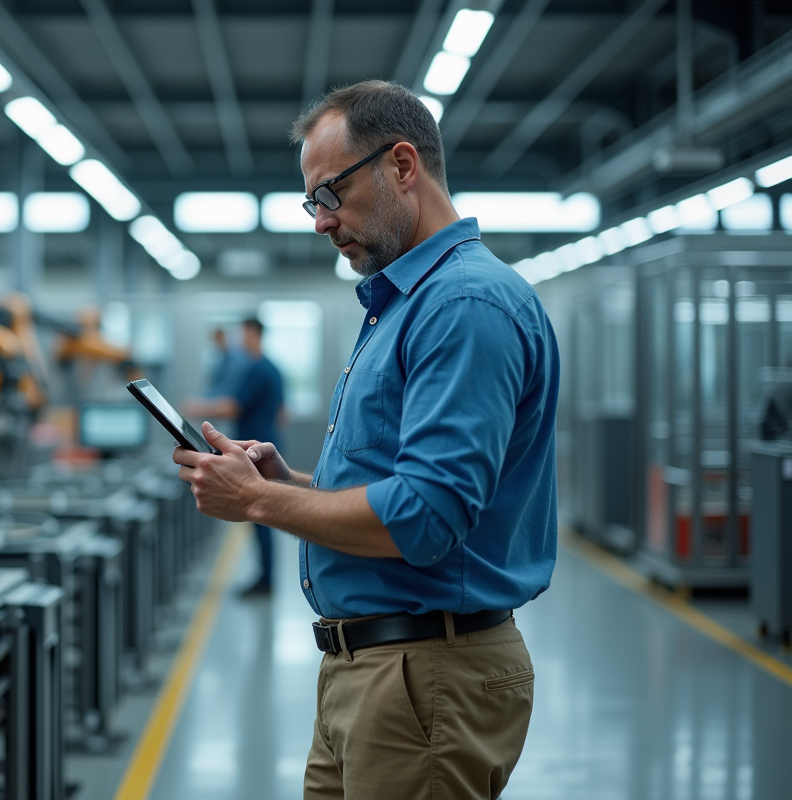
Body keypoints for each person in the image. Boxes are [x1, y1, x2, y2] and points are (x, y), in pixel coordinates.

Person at [173, 79, 559, 800]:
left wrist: (257, 504)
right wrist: (288, 484)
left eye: (330, 195)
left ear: (402, 166)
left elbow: (426, 517)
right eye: (310, 202)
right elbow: (398, 484)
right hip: (374, 671)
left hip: (423, 679)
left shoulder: (463, 305)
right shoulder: (404, 305)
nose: (321, 222)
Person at [185, 318, 284, 596]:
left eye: (243, 334)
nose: (240, 340)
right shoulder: (272, 369)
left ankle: (266, 579)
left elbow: (232, 407)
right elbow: (282, 412)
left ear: (253, 334)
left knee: (261, 515)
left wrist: (197, 406)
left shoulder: (258, 369)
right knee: (264, 515)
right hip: (266, 446)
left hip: (257, 453)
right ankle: (266, 576)